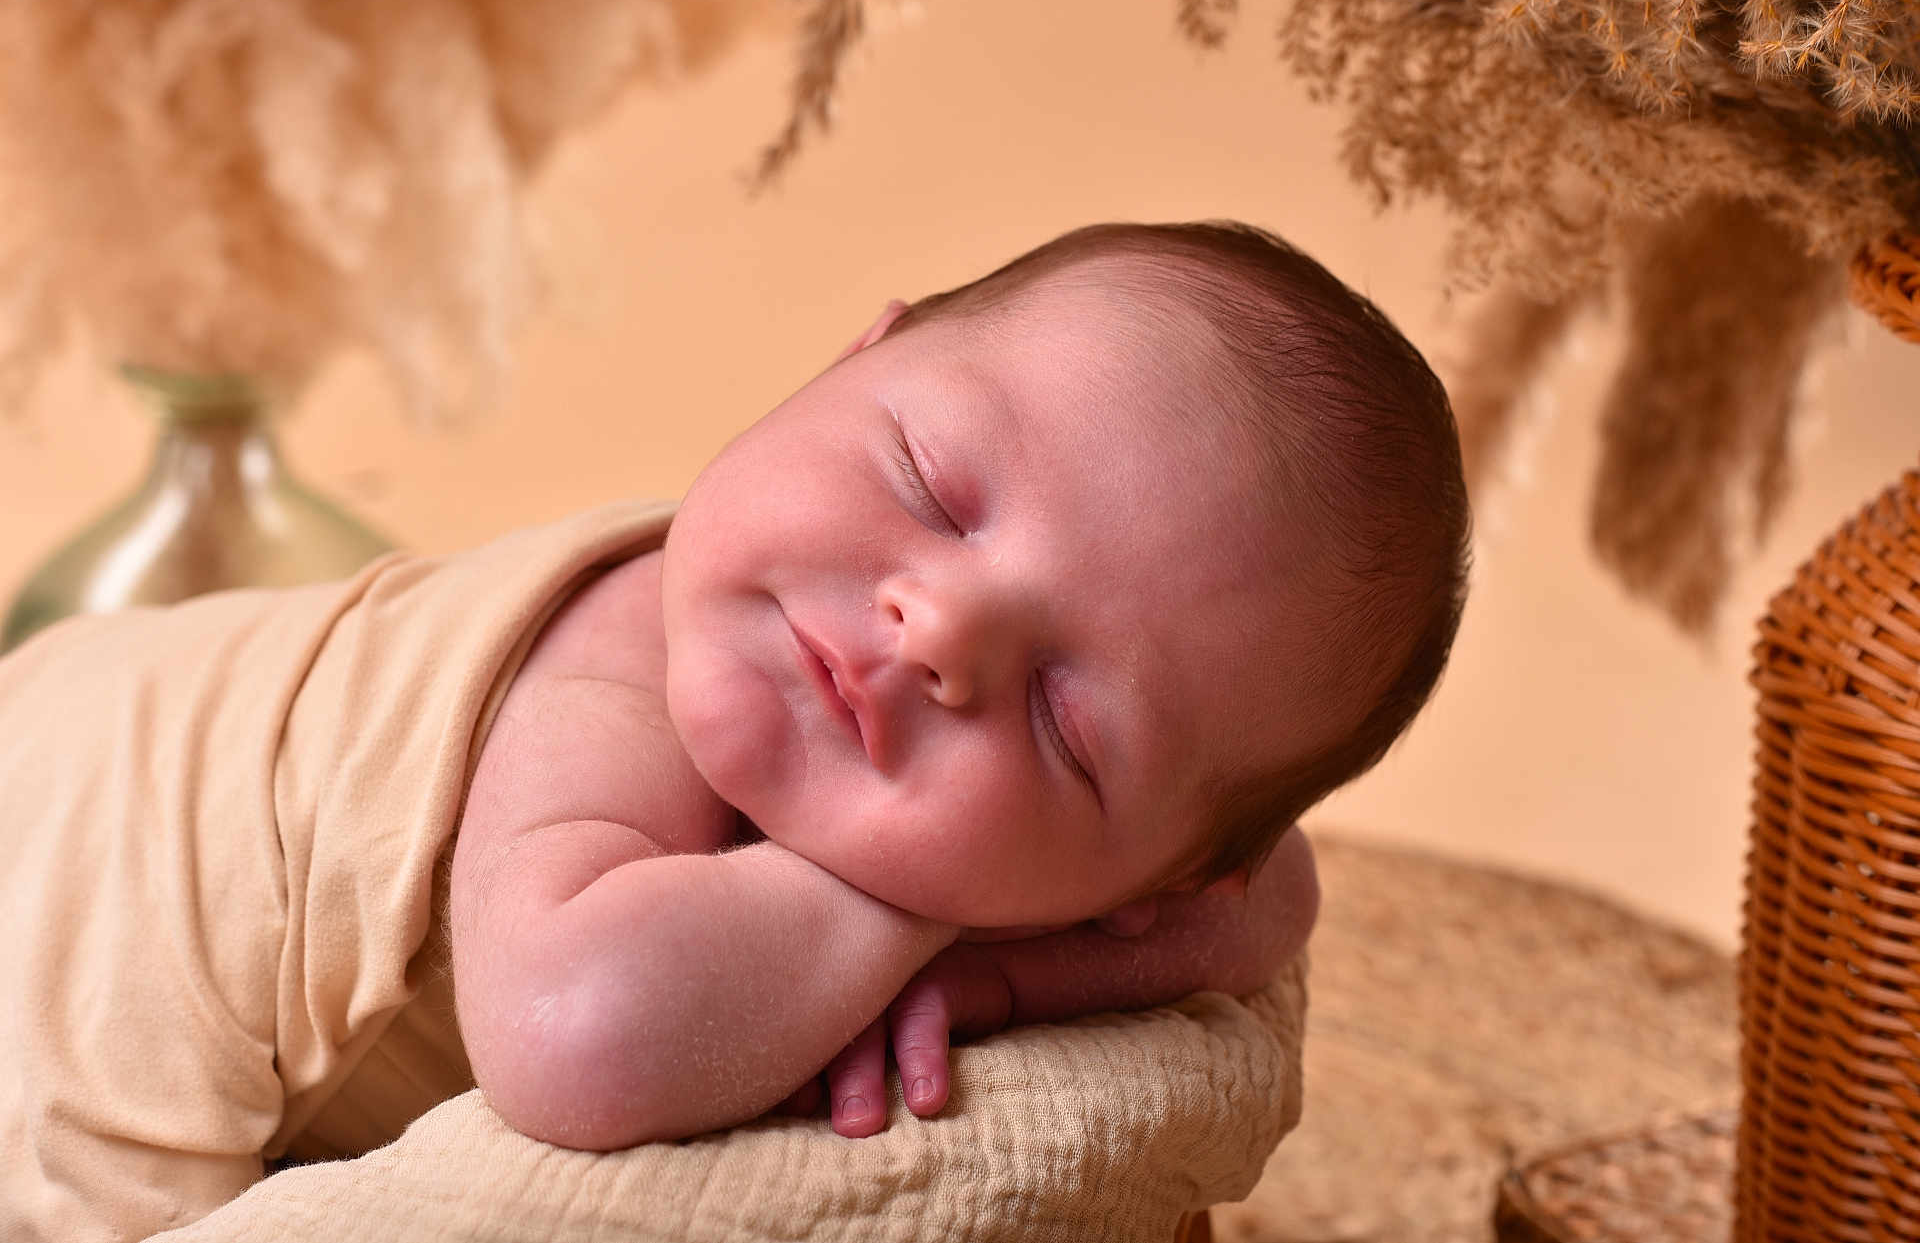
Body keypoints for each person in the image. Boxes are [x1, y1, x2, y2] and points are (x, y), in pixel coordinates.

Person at [0, 220, 1468, 1239]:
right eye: (933, 483)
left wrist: (1009, 972)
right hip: (64, 905)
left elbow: (1269, 896)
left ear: (1152, 875)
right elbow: (574, 1037)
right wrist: (917, 907)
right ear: (852, 357)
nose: (937, 628)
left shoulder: (1171, 858)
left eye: (1066, 720)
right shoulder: (609, 666)